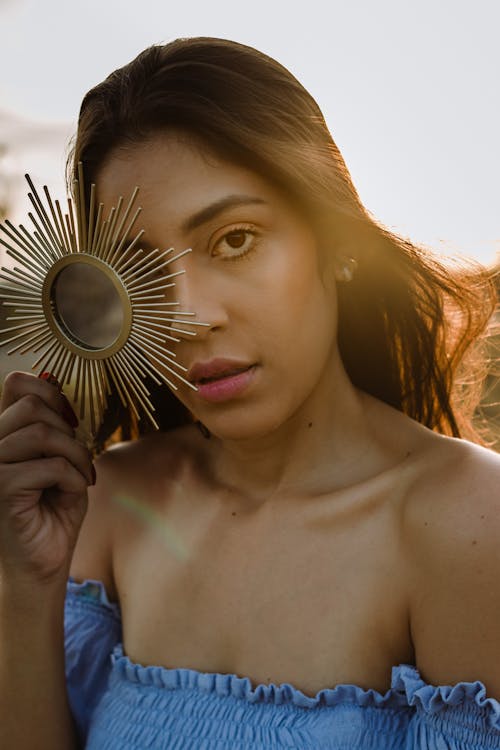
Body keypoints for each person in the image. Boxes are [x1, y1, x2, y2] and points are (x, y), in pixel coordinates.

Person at [0, 36, 499, 750]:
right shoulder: (107, 503)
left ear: (335, 240)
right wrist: (27, 587)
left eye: (234, 240)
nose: (191, 315)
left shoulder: (467, 528)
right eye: (139, 273)